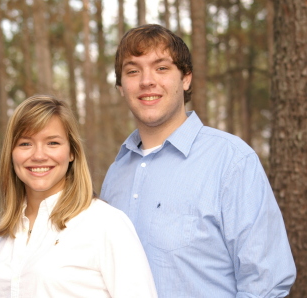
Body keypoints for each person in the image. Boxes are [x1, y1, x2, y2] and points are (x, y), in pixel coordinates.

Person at [100, 24, 296, 297]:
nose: (147, 81)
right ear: (122, 87)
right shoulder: (116, 173)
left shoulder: (232, 162)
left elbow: (265, 284)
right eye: (133, 71)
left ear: (186, 79)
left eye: (161, 68)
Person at [0, 95, 157, 298]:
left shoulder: (105, 224)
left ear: (72, 152)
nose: (39, 155)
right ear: (11, 153)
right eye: (25, 144)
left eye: (52, 143)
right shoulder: (2, 234)